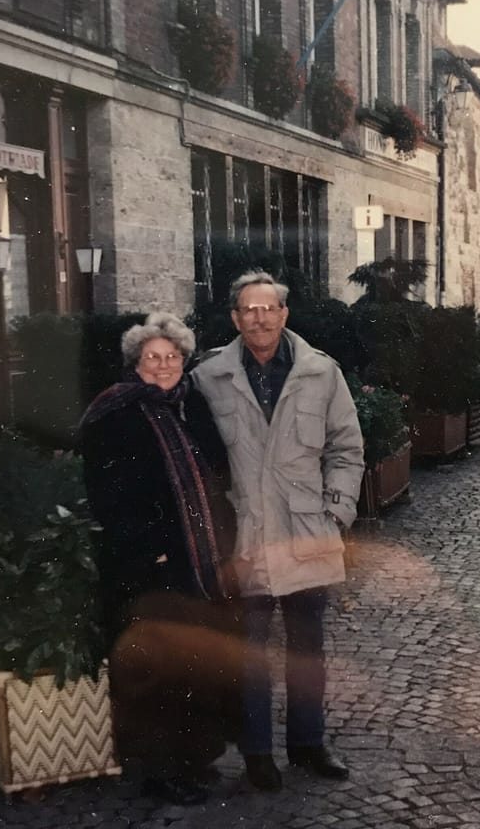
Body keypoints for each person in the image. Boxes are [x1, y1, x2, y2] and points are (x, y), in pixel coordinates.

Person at [191, 271, 364, 792]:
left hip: (307, 533)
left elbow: (346, 448)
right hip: (246, 537)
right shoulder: (210, 377)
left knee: (307, 648)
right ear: (236, 318)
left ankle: (309, 744)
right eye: (249, 310)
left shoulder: (320, 373)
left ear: (285, 315)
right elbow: (199, 460)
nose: (260, 318)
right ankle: (258, 752)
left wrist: (335, 513)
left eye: (269, 309)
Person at [80, 312, 241, 805]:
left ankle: (193, 760)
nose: (164, 364)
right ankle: (158, 769)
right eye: (153, 357)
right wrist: (153, 547)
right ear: (135, 363)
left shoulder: (189, 405)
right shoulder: (115, 413)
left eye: (173, 356)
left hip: (198, 559)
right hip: (148, 562)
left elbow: (218, 469)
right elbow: (108, 494)